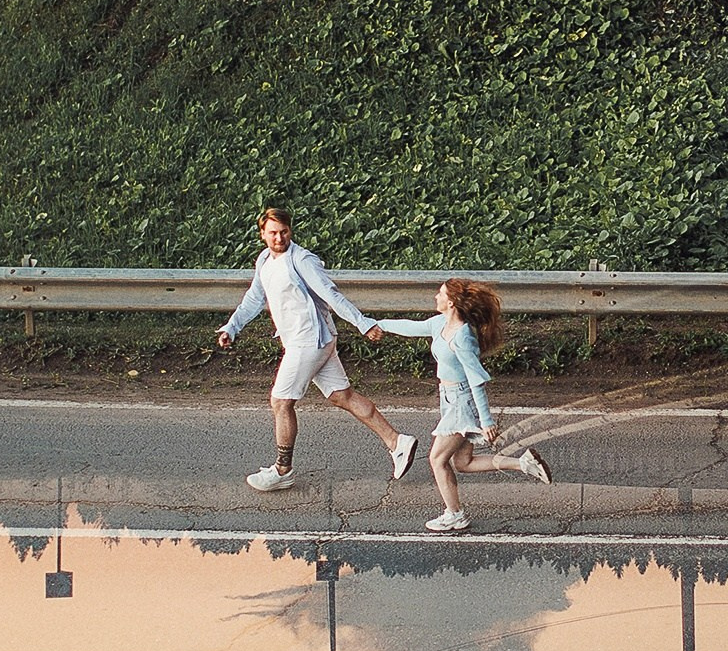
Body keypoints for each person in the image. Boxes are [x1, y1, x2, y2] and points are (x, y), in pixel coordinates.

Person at [215, 208, 417, 492]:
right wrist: (231, 327)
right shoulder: (264, 260)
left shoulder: (302, 260)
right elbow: (254, 298)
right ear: (262, 234)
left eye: (284, 231)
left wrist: (363, 323)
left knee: (281, 402)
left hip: (309, 341)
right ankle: (398, 441)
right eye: (272, 233)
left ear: (290, 230)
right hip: (309, 341)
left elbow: (331, 294)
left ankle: (283, 469)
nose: (279, 238)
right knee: (341, 396)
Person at [366, 278, 552, 531]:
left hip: (461, 403)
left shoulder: (463, 337)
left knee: (437, 459)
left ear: (451, 302)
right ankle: (524, 463)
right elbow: (412, 327)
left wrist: (486, 421)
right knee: (463, 463)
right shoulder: (440, 323)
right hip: (449, 399)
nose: (436, 296)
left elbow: (476, 380)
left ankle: (454, 514)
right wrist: (378, 325)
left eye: (440, 293)